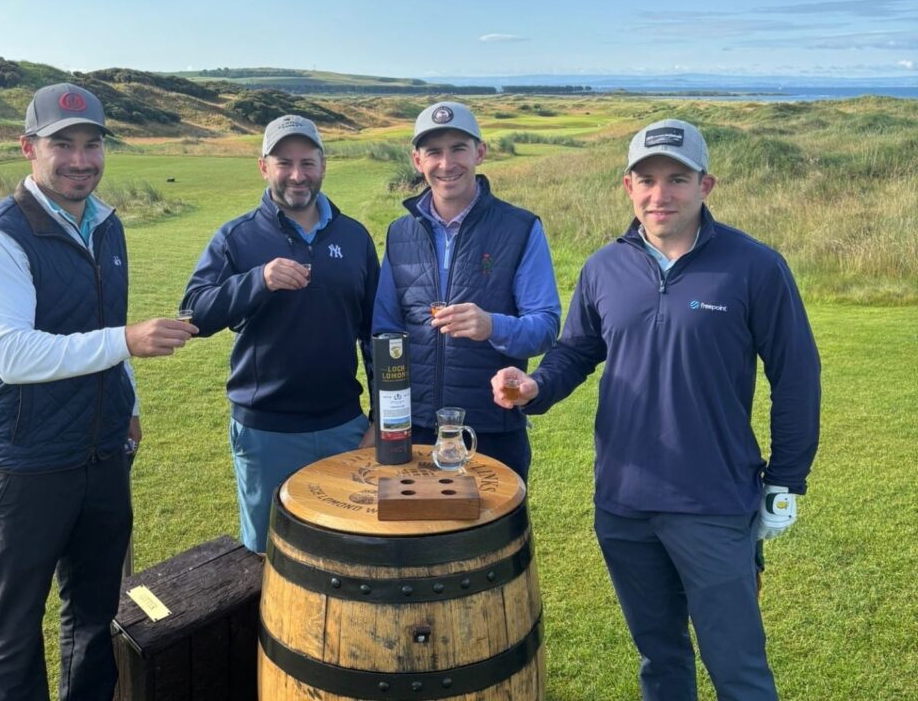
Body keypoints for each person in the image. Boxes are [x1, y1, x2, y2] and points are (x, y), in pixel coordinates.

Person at [492, 119, 821, 700]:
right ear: (627, 186)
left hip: (713, 502)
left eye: (677, 178)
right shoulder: (603, 267)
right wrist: (536, 386)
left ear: (706, 185)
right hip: (623, 502)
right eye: (646, 179)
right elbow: (575, 350)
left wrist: (788, 478)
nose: (659, 194)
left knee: (738, 669)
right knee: (660, 659)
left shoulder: (754, 266)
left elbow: (796, 374)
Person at [0, 82, 197, 701]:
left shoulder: (105, 225)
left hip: (102, 455)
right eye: (64, 145)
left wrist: (129, 404)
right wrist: (128, 343)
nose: (81, 159)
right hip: (25, 465)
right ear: (28, 148)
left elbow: (106, 322)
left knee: (95, 623)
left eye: (92, 144)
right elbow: (13, 354)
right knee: (13, 640)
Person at [181, 114, 378, 553]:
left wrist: (380, 420)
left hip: (344, 426)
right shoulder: (237, 236)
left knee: (349, 550)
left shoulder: (354, 236)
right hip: (266, 431)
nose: (296, 175)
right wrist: (260, 280)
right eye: (284, 162)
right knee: (270, 556)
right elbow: (194, 313)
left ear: (323, 165)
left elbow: (376, 334)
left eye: (307, 162)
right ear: (263, 167)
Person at [372, 101, 561, 483]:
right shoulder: (399, 233)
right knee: (414, 537)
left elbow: (544, 326)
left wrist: (492, 325)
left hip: (490, 429)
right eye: (434, 152)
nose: (447, 164)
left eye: (459, 148)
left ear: (480, 152)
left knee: (495, 540)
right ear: (416, 159)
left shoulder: (520, 227)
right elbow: (385, 333)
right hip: (415, 431)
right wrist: (383, 419)